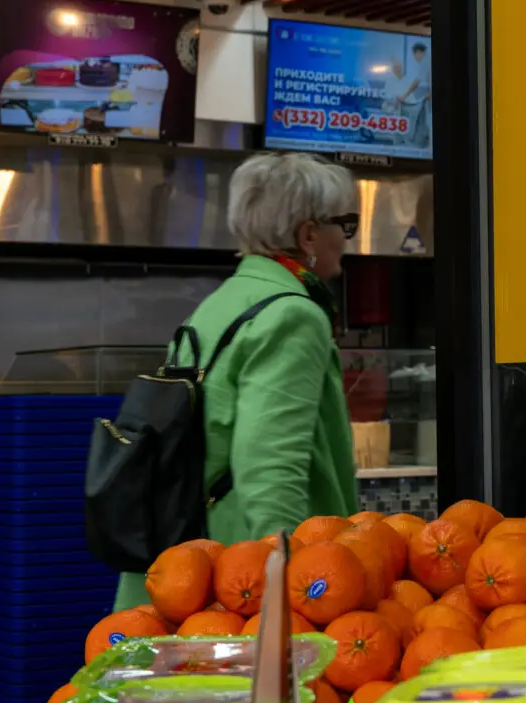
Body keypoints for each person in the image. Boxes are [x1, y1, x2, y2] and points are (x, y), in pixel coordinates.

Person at [116, 153, 361, 608]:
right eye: (344, 225)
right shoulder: (292, 315)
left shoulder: (219, 304)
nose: (347, 241)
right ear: (309, 234)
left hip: (185, 567)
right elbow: (270, 468)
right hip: (241, 579)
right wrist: (291, 593)